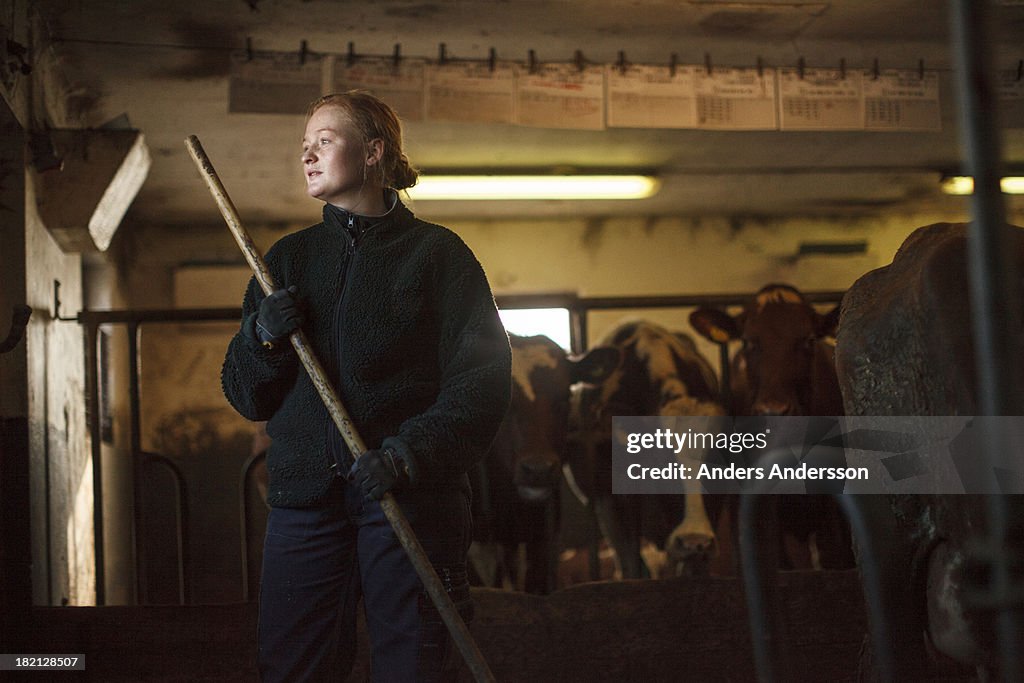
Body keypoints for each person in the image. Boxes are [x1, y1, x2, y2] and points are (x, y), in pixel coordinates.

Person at [221, 90, 512, 682]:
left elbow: (481, 383)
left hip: (409, 496)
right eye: (304, 146)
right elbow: (246, 395)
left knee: (414, 668)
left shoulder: (438, 256)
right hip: (305, 502)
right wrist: (261, 338)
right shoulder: (286, 260)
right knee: (295, 669)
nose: (307, 155)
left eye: (324, 141)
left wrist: (407, 456)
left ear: (375, 151)